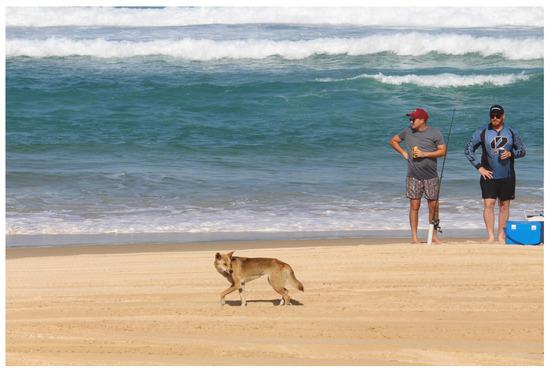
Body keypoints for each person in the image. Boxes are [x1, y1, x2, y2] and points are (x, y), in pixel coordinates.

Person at [464, 105, 526, 243]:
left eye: (498, 116)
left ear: (503, 116)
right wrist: (479, 168)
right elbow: (468, 150)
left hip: (507, 175)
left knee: (504, 205)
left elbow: (522, 151)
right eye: (492, 116)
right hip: (488, 175)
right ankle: (491, 237)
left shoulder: (512, 131)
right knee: (489, 204)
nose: (495, 118)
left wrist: (511, 154)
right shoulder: (482, 131)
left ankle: (501, 237)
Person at [390, 108, 447, 244]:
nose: (411, 121)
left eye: (413, 119)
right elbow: (393, 141)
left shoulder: (434, 132)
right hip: (413, 175)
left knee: (434, 207)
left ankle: (434, 237)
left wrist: (424, 154)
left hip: (431, 175)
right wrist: (404, 153)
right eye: (410, 119)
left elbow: (443, 151)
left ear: (422, 120)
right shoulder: (408, 131)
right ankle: (414, 238)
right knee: (414, 205)